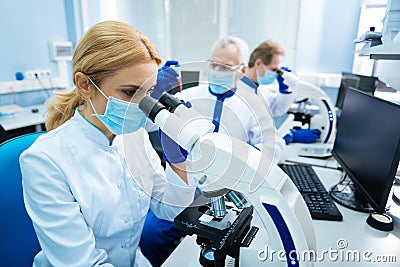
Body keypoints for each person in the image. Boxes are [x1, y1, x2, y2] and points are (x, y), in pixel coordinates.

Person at [19, 21, 196, 267]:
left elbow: (170, 208)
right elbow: (83, 263)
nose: (142, 105)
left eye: (149, 92)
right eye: (129, 92)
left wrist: (177, 160)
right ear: (85, 85)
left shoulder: (134, 136)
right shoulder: (45, 160)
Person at [140, 36, 283, 266]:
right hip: (187, 184)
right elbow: (148, 125)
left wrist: (249, 155)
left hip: (230, 191)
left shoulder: (252, 105)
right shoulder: (191, 95)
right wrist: (155, 93)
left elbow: (273, 147)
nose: (217, 70)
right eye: (213, 63)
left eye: (225, 66)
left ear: (243, 70)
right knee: (151, 235)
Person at [239, 39, 321, 144]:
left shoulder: (259, 89)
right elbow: (254, 140)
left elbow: (277, 109)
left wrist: (284, 89)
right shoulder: (239, 94)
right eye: (273, 70)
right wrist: (289, 137)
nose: (276, 74)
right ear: (258, 63)